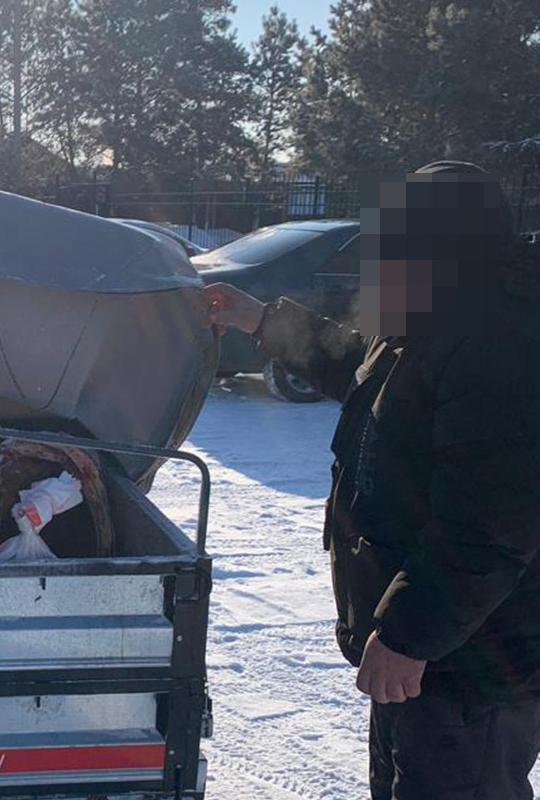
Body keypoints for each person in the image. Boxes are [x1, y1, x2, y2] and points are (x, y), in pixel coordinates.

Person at [205, 161, 540, 800]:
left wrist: (411, 635)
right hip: (429, 652)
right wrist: (258, 318)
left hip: (473, 667)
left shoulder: (502, 344)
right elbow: (356, 367)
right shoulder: (434, 316)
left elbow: (489, 527)